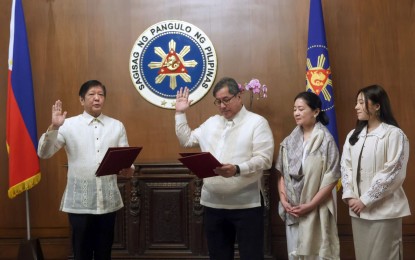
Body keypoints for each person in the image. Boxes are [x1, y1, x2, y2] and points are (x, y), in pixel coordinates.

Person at [175, 77, 274, 260]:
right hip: (213, 204)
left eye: (226, 100)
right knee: (218, 256)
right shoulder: (211, 122)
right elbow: (186, 140)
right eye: (218, 102)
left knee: (251, 256)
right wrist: (180, 113)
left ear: (239, 96)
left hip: (246, 205)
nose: (222, 106)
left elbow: (265, 159)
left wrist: (237, 169)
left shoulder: (257, 123)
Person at [37, 80, 134, 260]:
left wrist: (129, 169)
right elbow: (44, 153)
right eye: (91, 94)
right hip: (79, 203)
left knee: (104, 252)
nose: (97, 98)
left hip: (108, 201)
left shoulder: (116, 125)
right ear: (81, 100)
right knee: (81, 252)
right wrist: (54, 127)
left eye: (101, 94)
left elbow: (125, 155)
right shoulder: (67, 125)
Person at [340, 84, 410, 260]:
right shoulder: (353, 136)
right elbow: (345, 167)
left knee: (384, 255)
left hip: (384, 212)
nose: (356, 107)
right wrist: (350, 195)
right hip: (358, 211)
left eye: (361, 102)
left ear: (377, 106)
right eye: (356, 102)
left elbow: (394, 173)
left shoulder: (394, 135)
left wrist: (365, 200)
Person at [276, 91, 340, 260]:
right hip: (293, 209)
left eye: (301, 109)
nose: (296, 113)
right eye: (294, 109)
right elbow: (282, 174)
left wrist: (311, 204)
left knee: (316, 254)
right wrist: (283, 199)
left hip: (316, 208)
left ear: (316, 111)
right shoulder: (289, 140)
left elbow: (332, 177)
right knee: (294, 253)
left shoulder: (326, 140)